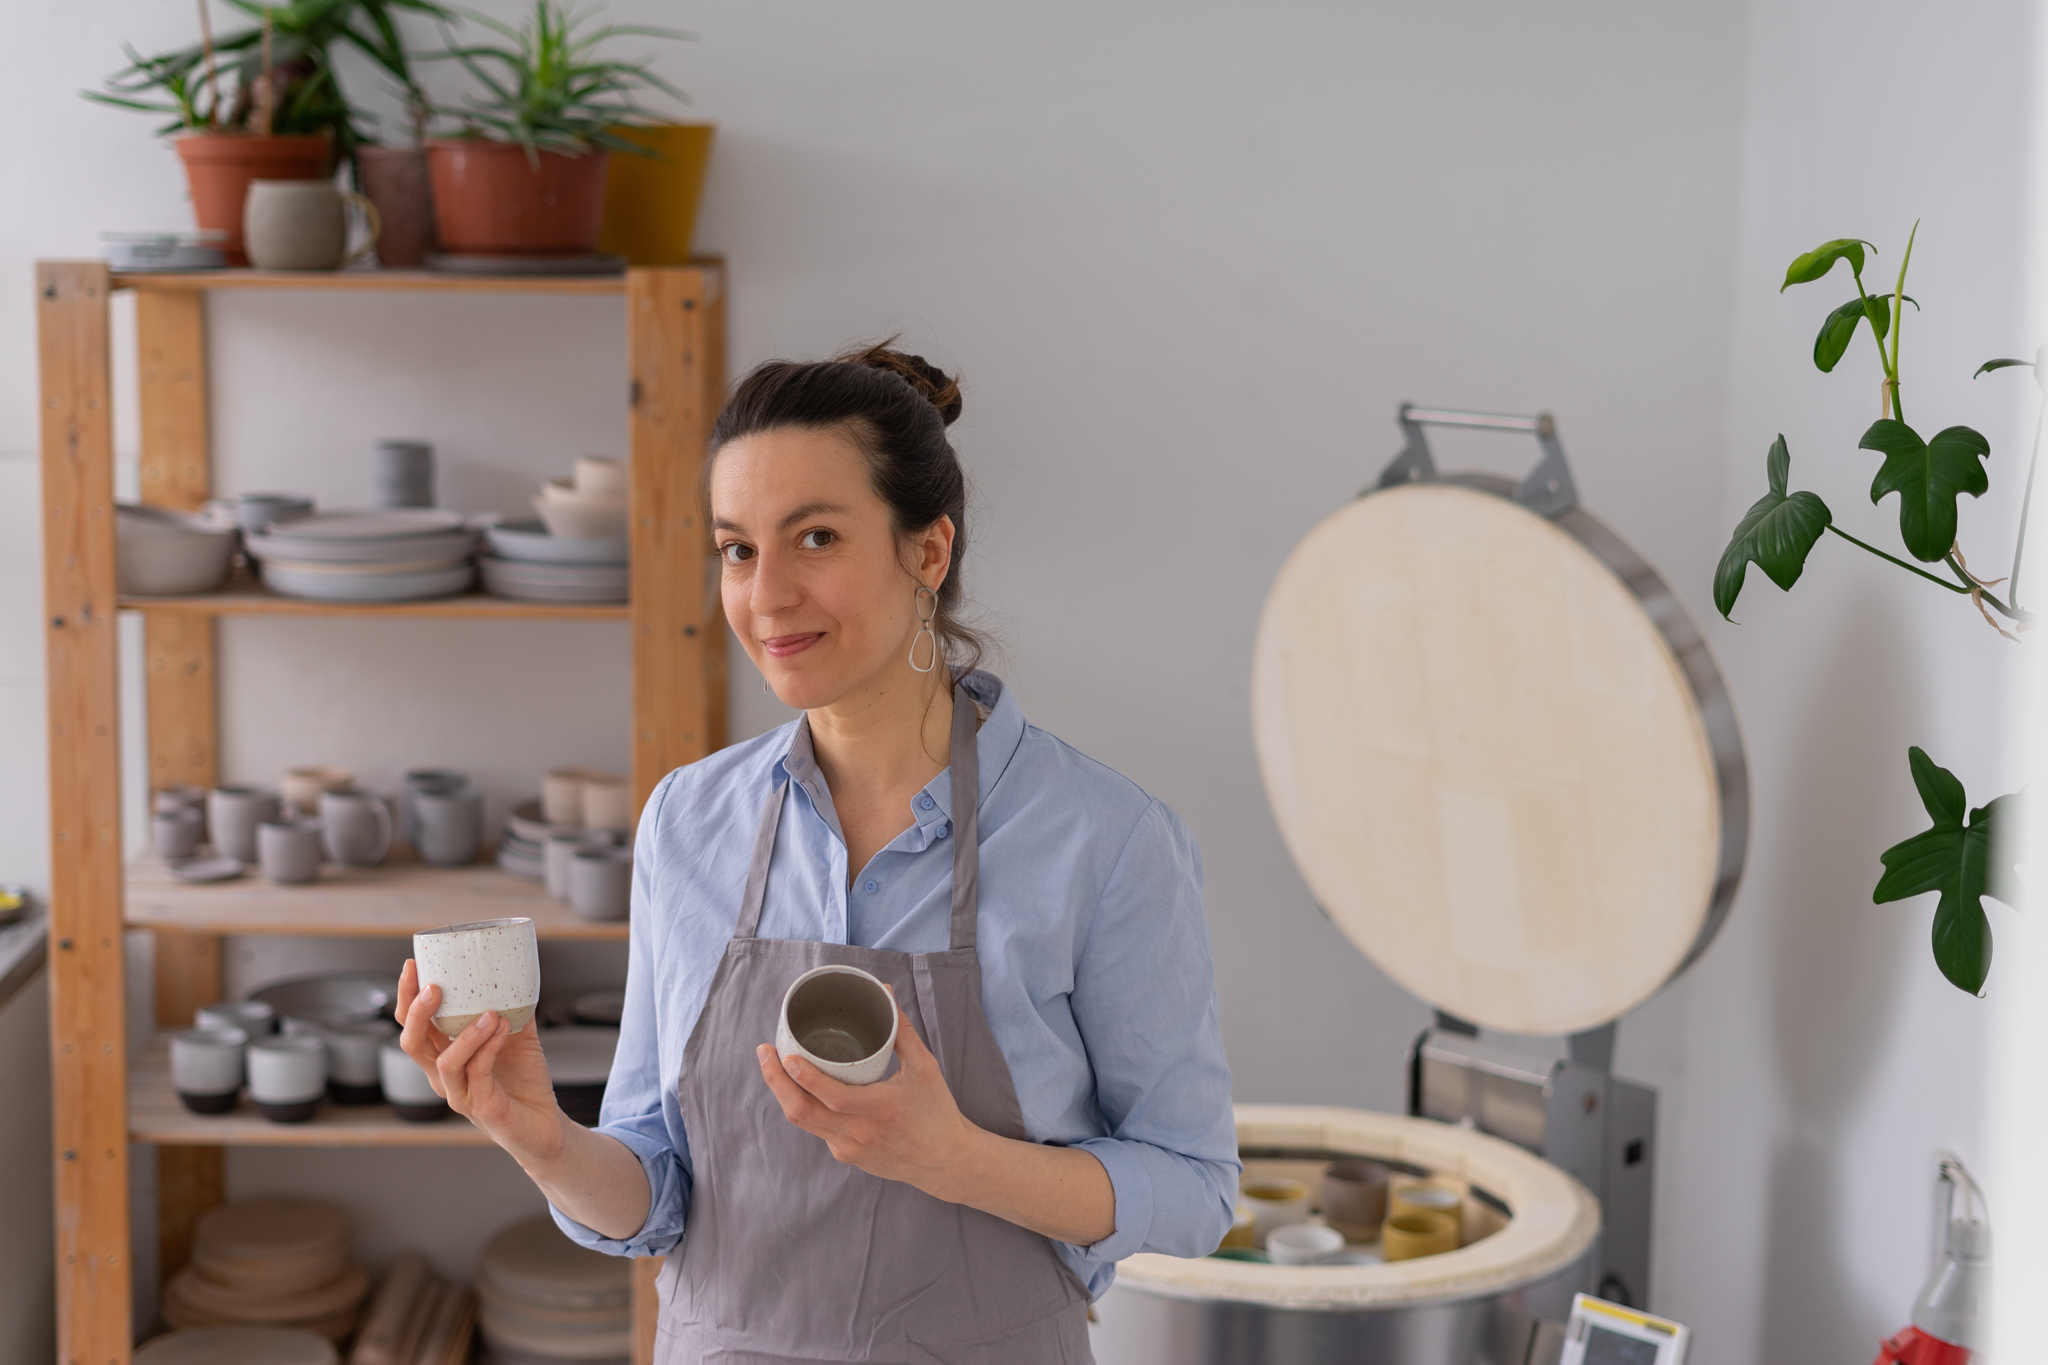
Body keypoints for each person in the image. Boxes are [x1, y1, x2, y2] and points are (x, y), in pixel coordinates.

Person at [397, 343, 1238, 1362]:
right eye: (737, 549)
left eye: (817, 538)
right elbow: (655, 1193)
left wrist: (953, 1158)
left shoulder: (1104, 840)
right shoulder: (687, 820)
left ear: (928, 552)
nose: (767, 596)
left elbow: (1194, 1191)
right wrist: (540, 1137)